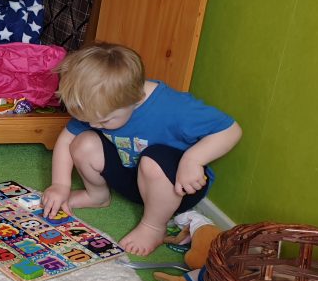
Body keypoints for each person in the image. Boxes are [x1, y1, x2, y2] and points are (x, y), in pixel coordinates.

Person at [42, 43, 241, 255]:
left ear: (135, 98)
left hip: (177, 189)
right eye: (89, 119)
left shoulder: (174, 107)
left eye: (104, 121)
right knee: (84, 142)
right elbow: (66, 140)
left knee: (152, 159)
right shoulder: (102, 104)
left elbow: (231, 130)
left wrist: (193, 160)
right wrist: (60, 184)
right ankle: (97, 196)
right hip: (132, 179)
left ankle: (153, 226)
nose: (94, 125)